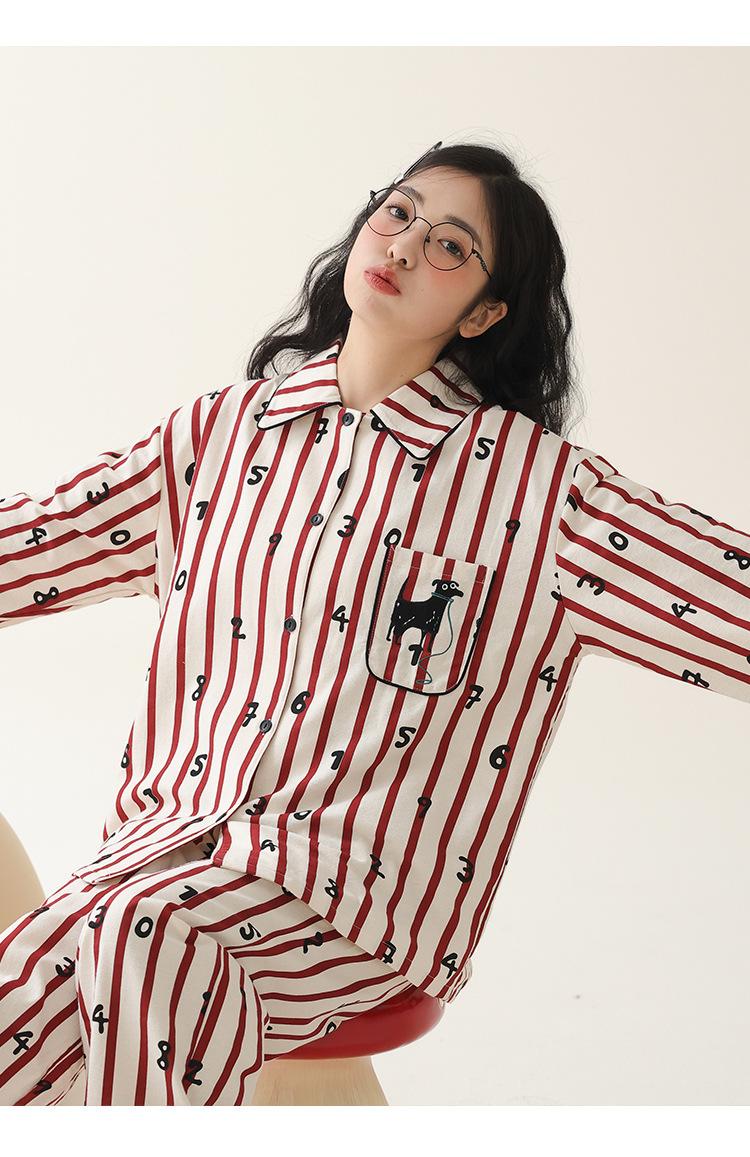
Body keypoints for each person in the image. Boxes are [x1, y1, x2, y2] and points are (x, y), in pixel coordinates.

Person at [2, 139, 749, 1106]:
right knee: (88, 954)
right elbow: (42, 538)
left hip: (354, 905)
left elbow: (723, 595)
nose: (402, 245)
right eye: (397, 213)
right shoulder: (221, 436)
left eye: (450, 246)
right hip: (160, 852)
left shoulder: (540, 494)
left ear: (484, 312)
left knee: (139, 938)